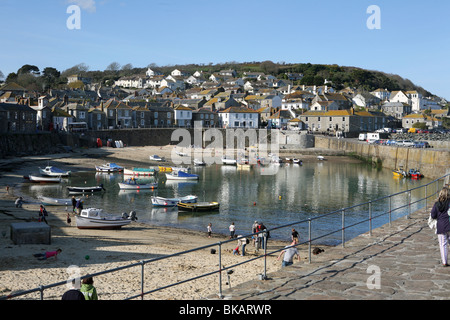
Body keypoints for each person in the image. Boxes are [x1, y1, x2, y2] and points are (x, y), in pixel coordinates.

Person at [431, 187, 450, 266]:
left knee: (443, 244)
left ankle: (444, 262)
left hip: (441, 226)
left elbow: (433, 215)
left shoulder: (436, 204)